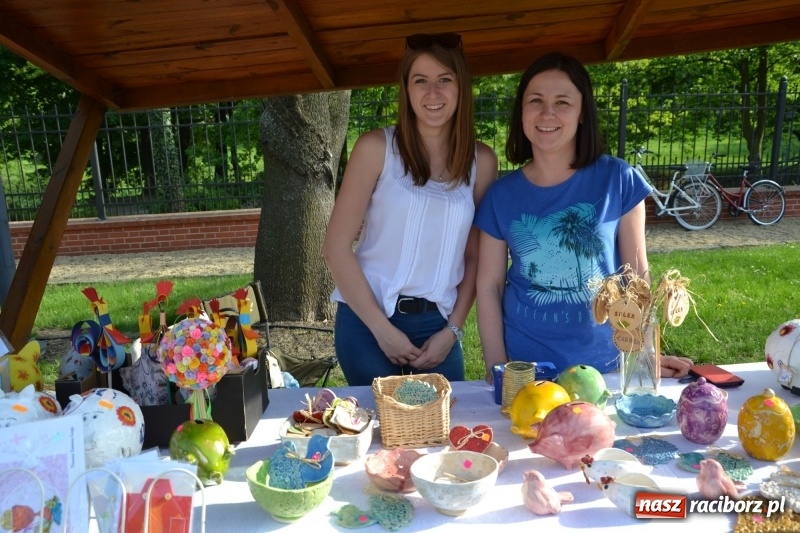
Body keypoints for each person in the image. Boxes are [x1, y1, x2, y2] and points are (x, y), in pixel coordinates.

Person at [474, 52, 692, 382]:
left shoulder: (618, 179)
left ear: (581, 114)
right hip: (526, 371)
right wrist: (498, 369)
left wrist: (644, 354)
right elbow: (488, 285)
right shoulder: (500, 195)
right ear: (522, 111)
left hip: (606, 366)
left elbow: (637, 279)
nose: (547, 113)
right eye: (536, 100)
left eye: (563, 102)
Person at [322, 33, 498, 386]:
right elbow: (335, 248)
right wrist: (381, 329)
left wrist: (453, 330)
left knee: (445, 433)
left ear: (461, 87)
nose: (432, 93)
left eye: (444, 80)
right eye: (421, 81)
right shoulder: (375, 148)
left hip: (438, 327)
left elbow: (475, 257)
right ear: (406, 89)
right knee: (377, 435)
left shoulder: (481, 161)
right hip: (367, 323)